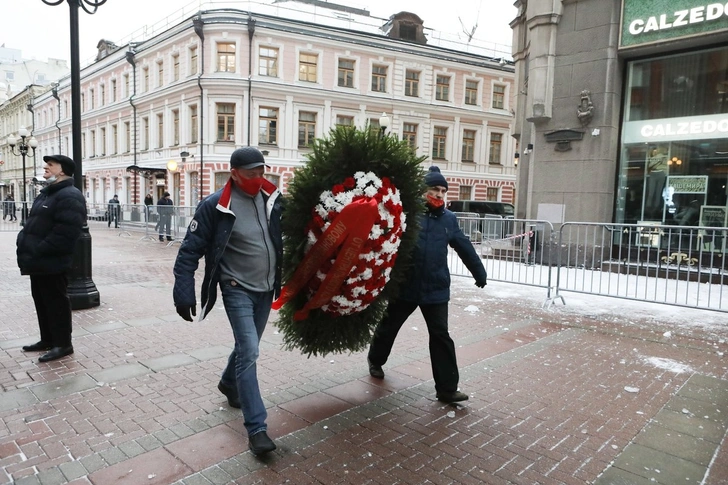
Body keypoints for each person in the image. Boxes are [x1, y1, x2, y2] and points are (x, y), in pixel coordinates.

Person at [173, 146, 283, 456]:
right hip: (237, 287)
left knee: (246, 346)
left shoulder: (271, 198)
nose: (258, 178)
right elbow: (189, 250)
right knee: (249, 349)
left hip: (266, 287)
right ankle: (257, 428)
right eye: (252, 174)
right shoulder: (214, 205)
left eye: (262, 172)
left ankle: (228, 383)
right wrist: (183, 290)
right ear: (234, 173)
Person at [367, 165, 488, 403]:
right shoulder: (408, 214)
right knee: (390, 326)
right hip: (406, 286)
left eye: (443, 190)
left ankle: (447, 389)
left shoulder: (449, 219)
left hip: (436, 288)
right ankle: (376, 359)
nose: (440, 194)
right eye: (435, 189)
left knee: (441, 335)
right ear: (424, 190)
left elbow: (463, 246)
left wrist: (479, 272)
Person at [16, 155, 86, 363]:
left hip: (51, 261)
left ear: (62, 170)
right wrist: (23, 241)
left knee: (56, 303)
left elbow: (65, 232)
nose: (45, 167)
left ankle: (63, 344)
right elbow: (32, 223)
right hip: (38, 262)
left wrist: (39, 249)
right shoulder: (47, 194)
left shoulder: (70, 195)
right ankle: (47, 339)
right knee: (42, 301)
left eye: (51, 165)